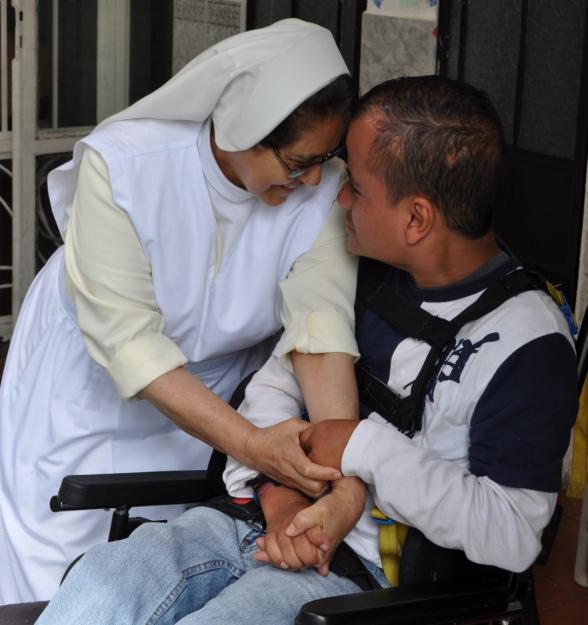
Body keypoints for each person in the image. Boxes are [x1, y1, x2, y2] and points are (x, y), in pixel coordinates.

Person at [34, 76, 577, 625]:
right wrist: (281, 494)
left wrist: (359, 447)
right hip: (250, 523)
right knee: (101, 584)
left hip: (359, 585)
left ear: (416, 219)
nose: (337, 196)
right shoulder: (366, 273)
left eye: (357, 188)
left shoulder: (526, 345)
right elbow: (277, 381)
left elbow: (513, 534)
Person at [0, 19, 362, 605]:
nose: (314, 178)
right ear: (245, 129)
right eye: (299, 161)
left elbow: (319, 335)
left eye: (326, 157)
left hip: (209, 410)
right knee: (53, 564)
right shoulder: (125, 167)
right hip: (85, 385)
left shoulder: (321, 194)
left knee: (163, 571)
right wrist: (254, 446)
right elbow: (132, 348)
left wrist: (337, 479)